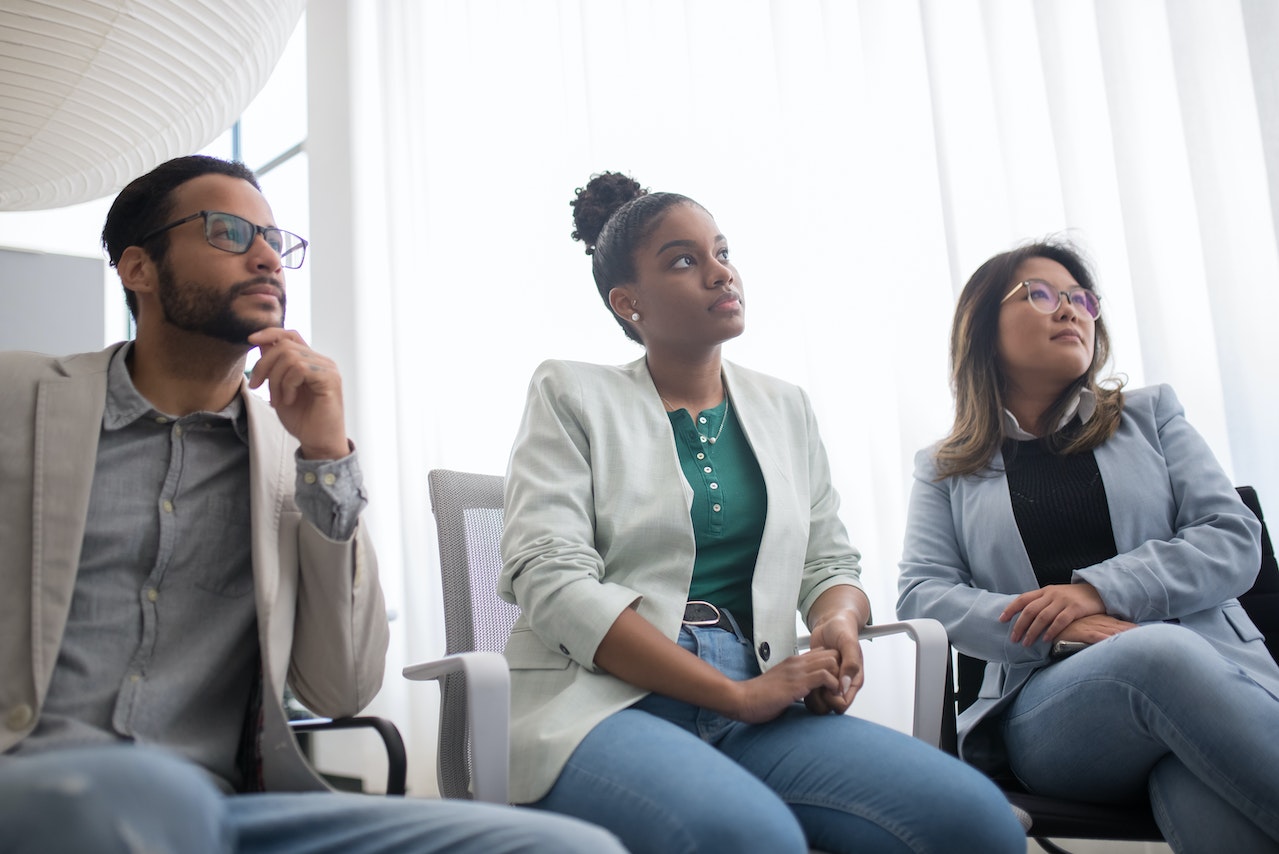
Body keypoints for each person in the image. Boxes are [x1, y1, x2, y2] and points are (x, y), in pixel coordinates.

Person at [0, 155, 623, 854]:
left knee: (570, 850)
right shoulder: (20, 396)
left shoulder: (292, 460)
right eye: (229, 232)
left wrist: (328, 458)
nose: (267, 257)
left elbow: (341, 689)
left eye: (274, 239)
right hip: (33, 784)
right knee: (132, 798)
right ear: (138, 268)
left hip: (230, 811)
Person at [496, 171, 1027, 854]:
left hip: (759, 689)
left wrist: (836, 623)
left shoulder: (785, 407)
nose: (720, 274)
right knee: (750, 837)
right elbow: (554, 582)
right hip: (599, 703)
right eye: (684, 261)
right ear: (628, 303)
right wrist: (731, 695)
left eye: (721, 252)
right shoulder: (570, 392)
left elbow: (828, 561)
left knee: (973, 823)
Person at [897, 238, 1279, 853]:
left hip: (1218, 687)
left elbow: (1233, 537)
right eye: (1041, 295)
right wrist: (1064, 627)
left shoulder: (1152, 414)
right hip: (1051, 714)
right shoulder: (945, 468)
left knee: (1195, 779)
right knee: (1158, 655)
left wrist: (1095, 590)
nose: (1070, 309)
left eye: (1081, 299)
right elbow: (924, 594)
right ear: (984, 327)